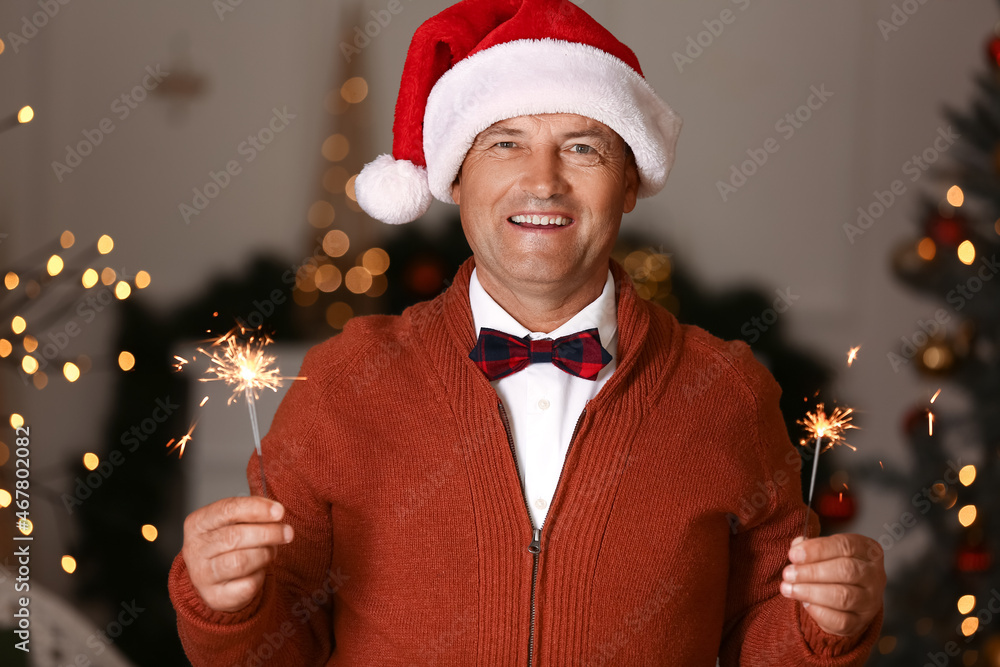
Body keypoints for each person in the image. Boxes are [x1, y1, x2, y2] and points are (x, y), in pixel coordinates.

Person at [168, 0, 886, 664]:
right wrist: (231, 605)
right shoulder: (342, 382)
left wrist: (825, 624)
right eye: (506, 143)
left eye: (582, 148)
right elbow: (278, 645)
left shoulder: (726, 390)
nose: (542, 181)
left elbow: (763, 629)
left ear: (630, 183)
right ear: (454, 178)